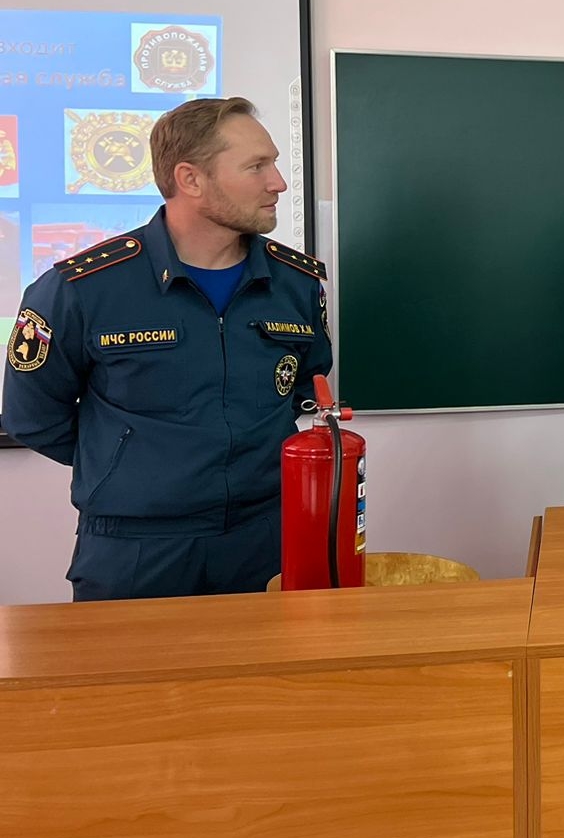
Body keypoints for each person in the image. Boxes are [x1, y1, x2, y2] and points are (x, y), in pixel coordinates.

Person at [2, 97, 331, 601]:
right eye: (256, 166)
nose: (278, 183)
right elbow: (33, 417)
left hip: (265, 537)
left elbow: (307, 386)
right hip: (135, 549)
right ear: (190, 179)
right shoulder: (83, 288)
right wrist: (133, 463)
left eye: (275, 164)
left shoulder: (296, 283)